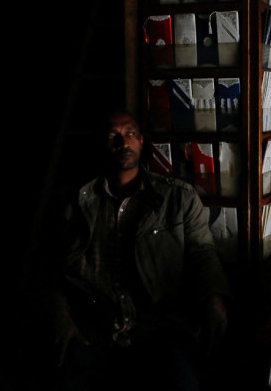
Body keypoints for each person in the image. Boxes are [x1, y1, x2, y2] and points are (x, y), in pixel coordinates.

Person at [27, 110, 231, 390]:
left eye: (130, 134)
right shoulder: (74, 199)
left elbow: (202, 254)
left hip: (157, 328)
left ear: (142, 141)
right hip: (92, 328)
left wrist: (214, 299)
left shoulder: (178, 197)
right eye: (113, 136)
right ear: (101, 143)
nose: (123, 142)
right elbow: (50, 267)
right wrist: (61, 318)